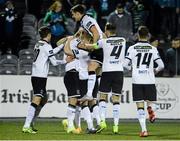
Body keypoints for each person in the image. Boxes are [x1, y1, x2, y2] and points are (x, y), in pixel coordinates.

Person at [81, 23, 126, 134]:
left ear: (106, 30)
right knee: (116, 99)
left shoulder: (103, 42)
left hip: (107, 72)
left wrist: (83, 44)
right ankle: (116, 126)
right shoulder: (123, 40)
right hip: (119, 72)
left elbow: (93, 46)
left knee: (102, 97)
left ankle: (103, 122)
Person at [22, 26, 65, 134]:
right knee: (36, 99)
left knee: (44, 98)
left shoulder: (39, 44)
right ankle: (27, 125)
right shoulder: (46, 46)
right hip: (39, 76)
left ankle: (30, 123)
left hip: (36, 75)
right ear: (49, 35)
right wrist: (65, 60)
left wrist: (60, 47)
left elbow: (50, 52)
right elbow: (54, 62)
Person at [123, 26, 164, 137]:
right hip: (149, 79)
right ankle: (151, 109)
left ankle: (144, 130)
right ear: (148, 35)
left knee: (140, 106)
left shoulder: (132, 48)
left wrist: (133, 69)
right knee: (151, 103)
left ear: (137, 35)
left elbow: (125, 65)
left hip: (137, 80)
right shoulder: (153, 49)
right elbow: (161, 65)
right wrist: (154, 70)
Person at [71, 4, 104, 101]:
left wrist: (93, 46)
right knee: (97, 72)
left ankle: (90, 94)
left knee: (91, 67)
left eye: (73, 14)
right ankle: (97, 94)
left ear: (78, 13)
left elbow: (96, 33)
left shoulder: (86, 20)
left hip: (99, 46)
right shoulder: (84, 21)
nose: (73, 16)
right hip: (101, 45)